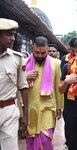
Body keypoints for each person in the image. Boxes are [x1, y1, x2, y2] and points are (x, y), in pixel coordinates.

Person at [26, 36, 64, 150]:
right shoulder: (24, 63)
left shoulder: (56, 64)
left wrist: (60, 107)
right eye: (37, 52)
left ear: (47, 50)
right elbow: (18, 85)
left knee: (45, 140)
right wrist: (25, 77)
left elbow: (59, 87)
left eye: (43, 53)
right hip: (31, 109)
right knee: (32, 138)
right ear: (33, 48)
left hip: (48, 108)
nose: (40, 55)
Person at [0, 18, 28, 150]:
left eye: (14, 35)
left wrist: (25, 115)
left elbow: (23, 87)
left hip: (9, 110)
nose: (12, 38)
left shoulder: (17, 58)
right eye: (9, 34)